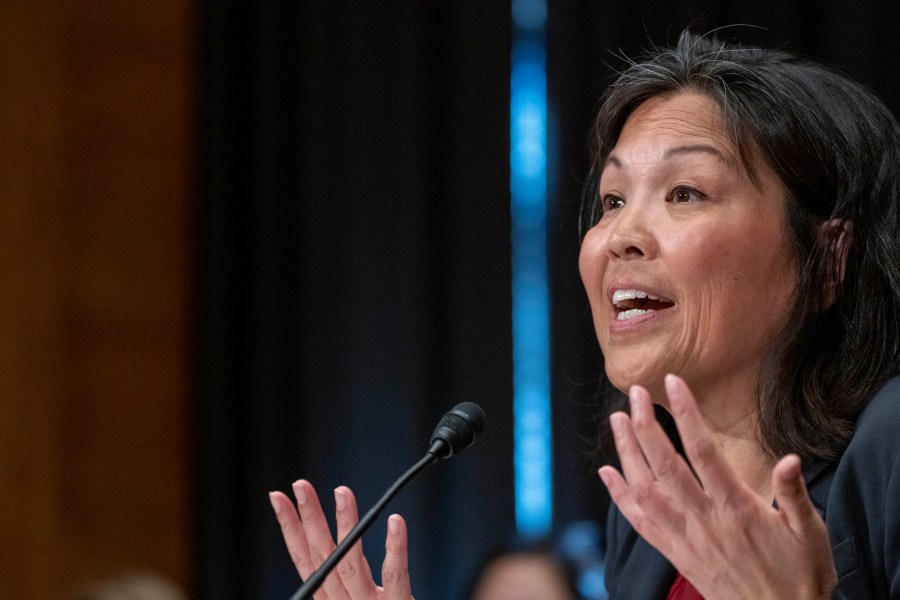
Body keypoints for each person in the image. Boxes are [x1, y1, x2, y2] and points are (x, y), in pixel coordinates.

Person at [269, 30, 900, 599]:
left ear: (828, 258)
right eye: (612, 199)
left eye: (686, 192)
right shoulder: (645, 510)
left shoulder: (888, 450)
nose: (621, 234)